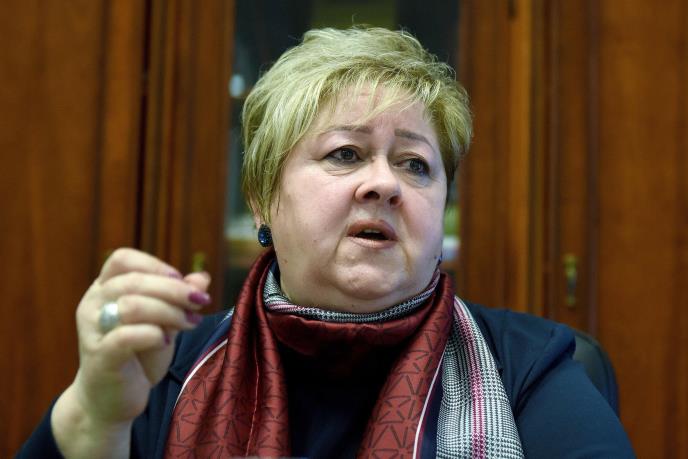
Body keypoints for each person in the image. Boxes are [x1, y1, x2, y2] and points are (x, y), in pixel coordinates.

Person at [18, 27, 634, 458]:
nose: (384, 183)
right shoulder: (162, 366)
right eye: (345, 153)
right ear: (263, 197)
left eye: (415, 164)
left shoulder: (529, 366)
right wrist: (95, 415)